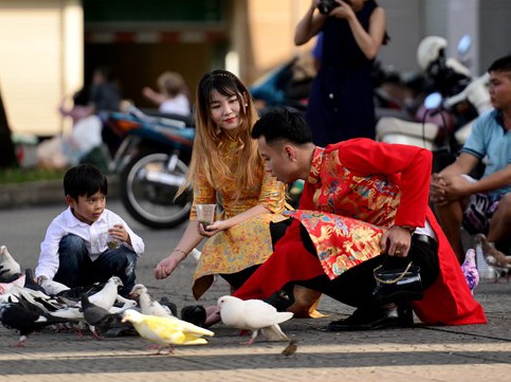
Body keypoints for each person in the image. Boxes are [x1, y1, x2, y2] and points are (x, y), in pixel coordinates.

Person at [233, 108, 486, 330]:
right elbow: (287, 251)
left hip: (414, 255)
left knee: (311, 231)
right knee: (290, 236)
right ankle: (380, 304)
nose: (267, 168)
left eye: (267, 159)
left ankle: (387, 303)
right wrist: (235, 304)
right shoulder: (314, 189)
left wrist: (404, 227)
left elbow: (420, 157)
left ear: (289, 152)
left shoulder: (347, 154)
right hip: (386, 261)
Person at [154, 70, 292, 300]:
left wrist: (226, 223)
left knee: (242, 231)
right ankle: (248, 299)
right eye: (217, 105)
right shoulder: (208, 151)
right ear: (207, 112)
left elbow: (269, 205)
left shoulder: (265, 138)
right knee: (219, 242)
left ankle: (267, 295)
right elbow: (201, 212)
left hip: (272, 223)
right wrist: (175, 256)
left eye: (231, 101)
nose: (227, 111)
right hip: (232, 229)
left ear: (245, 100)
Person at [294, 0, 388, 145]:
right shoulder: (332, 10)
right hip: (325, 89)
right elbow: (299, 38)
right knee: (318, 147)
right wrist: (313, 9)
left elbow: (370, 50)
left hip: (355, 92)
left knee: (355, 150)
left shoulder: (375, 13)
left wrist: (350, 17)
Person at [432, 55, 511, 263]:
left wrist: (467, 189)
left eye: (496, 84)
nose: (490, 90)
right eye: (489, 84)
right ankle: (456, 257)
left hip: (506, 202)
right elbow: (463, 164)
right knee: (446, 185)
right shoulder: (487, 120)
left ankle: (485, 256)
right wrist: (437, 181)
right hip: (487, 201)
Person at [34, 164, 144, 296]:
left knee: (125, 254)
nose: (99, 206)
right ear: (71, 201)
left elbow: (140, 247)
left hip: (102, 274)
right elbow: (48, 257)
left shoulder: (111, 219)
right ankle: (68, 295)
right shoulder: (60, 224)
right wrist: (42, 278)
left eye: (102, 198)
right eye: (92, 200)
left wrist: (127, 238)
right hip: (74, 277)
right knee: (72, 242)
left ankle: (124, 293)